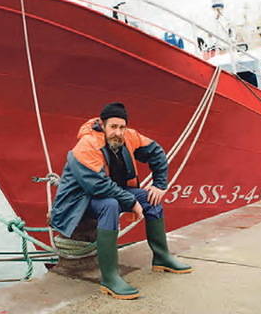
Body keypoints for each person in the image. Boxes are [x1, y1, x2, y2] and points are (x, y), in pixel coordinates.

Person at [50, 102, 192, 300]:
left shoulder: (129, 137)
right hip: (80, 200)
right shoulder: (86, 145)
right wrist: (132, 202)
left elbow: (157, 153)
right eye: (113, 127)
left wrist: (160, 185)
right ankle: (110, 278)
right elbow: (97, 186)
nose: (118, 132)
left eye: (121, 127)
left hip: (113, 192)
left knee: (151, 199)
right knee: (110, 204)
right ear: (102, 124)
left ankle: (162, 257)